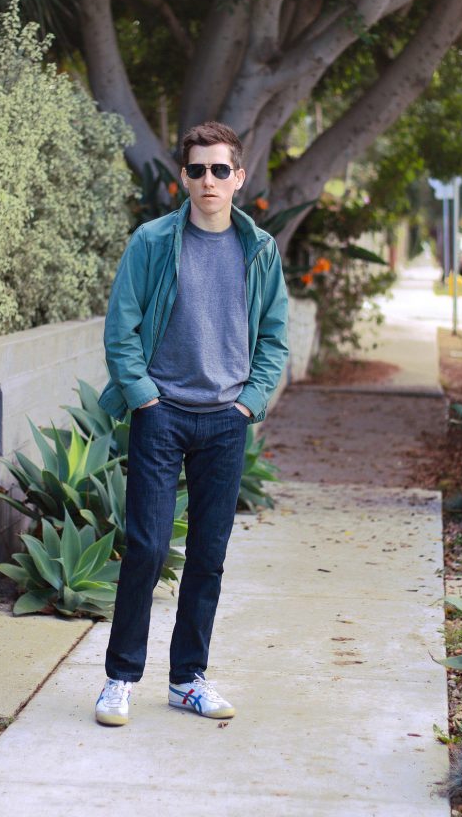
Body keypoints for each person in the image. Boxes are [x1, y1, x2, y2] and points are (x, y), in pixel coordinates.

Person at [94, 121, 289, 726]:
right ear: (184, 177)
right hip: (163, 415)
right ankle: (120, 678)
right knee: (148, 547)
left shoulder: (259, 250)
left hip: (226, 421)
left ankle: (187, 680)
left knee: (208, 554)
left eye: (220, 170)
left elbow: (276, 338)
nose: (209, 181)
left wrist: (249, 402)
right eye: (198, 170)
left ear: (239, 177)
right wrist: (144, 397)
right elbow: (120, 328)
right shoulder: (153, 242)